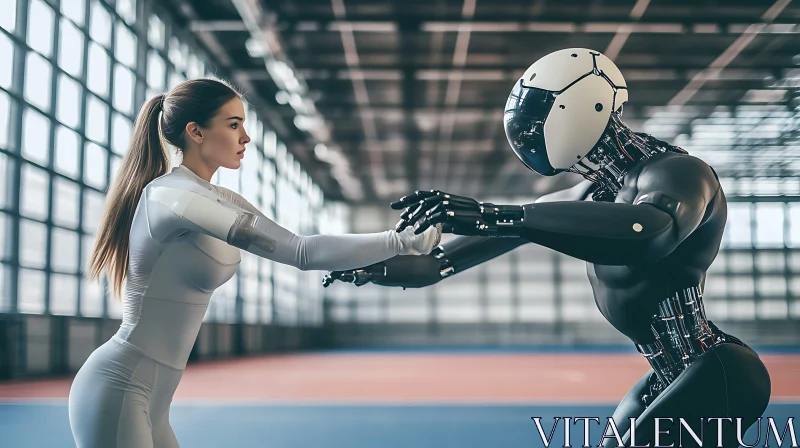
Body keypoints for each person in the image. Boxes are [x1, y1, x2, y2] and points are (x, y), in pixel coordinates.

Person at [323, 49, 770, 447]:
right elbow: (437, 265)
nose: (527, 132)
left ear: (578, 105)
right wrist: (369, 265)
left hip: (717, 371)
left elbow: (648, 232)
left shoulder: (679, 173)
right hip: (671, 372)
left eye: (539, 115)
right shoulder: (589, 197)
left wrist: (496, 214)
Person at [68, 78, 441, 448]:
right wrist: (400, 241)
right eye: (234, 125)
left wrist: (402, 241)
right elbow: (303, 255)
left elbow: (299, 247)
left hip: (154, 398)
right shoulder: (172, 198)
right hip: (119, 385)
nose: (245, 137)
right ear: (195, 132)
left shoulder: (216, 197)